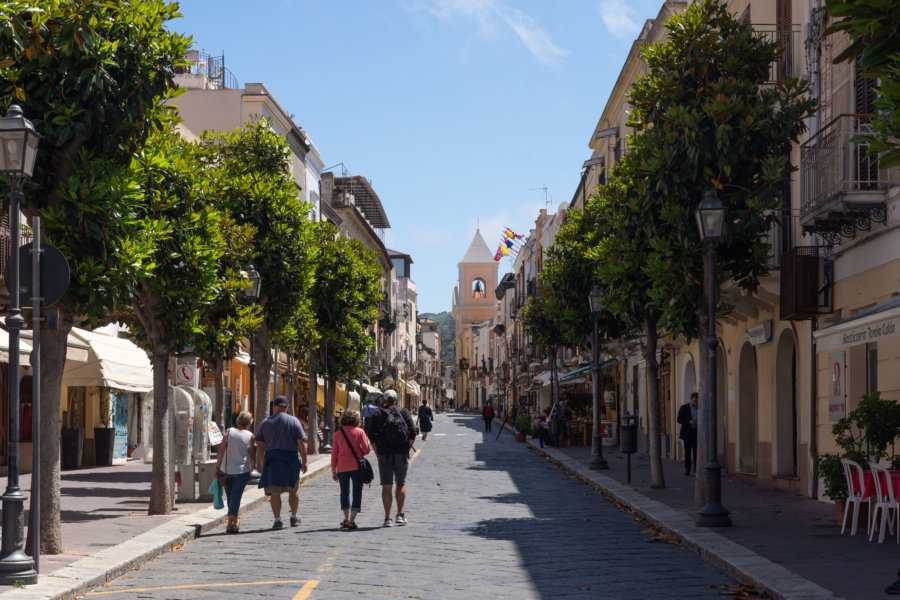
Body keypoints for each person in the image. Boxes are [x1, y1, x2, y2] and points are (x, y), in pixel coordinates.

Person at [256, 395, 308, 529]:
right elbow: (301, 443)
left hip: (272, 460)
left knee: (275, 491)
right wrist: (305, 461)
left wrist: (262, 460)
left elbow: (260, 444)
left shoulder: (265, 422)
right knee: (293, 489)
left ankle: (277, 519)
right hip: (290, 459)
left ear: (274, 407)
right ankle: (294, 517)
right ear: (287, 407)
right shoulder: (294, 421)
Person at [365, 389, 417, 527]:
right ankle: (400, 514)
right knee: (401, 483)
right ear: (396, 400)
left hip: (384, 453)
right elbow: (413, 432)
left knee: (386, 486)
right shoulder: (404, 411)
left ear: (384, 400)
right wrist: (406, 448)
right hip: (401, 453)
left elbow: (371, 436)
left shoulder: (377, 413)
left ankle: (387, 518)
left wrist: (377, 451)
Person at [216, 410, 255, 533]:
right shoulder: (250, 436)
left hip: (226, 470)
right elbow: (251, 455)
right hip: (242, 470)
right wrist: (251, 468)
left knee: (230, 495)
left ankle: (231, 521)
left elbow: (221, 451)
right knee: (236, 496)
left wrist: (217, 468)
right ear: (249, 423)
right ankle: (232, 521)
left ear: (238, 421)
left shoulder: (228, 432)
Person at [331, 410, 371, 531]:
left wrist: (333, 469)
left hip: (342, 466)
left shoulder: (338, 434)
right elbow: (366, 450)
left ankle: (346, 518)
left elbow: (334, 453)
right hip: (357, 466)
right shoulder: (360, 432)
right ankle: (352, 521)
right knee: (357, 492)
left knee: (344, 492)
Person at [677, 392, 699, 476]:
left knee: (696, 452)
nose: (695, 403)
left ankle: (696, 470)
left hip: (695, 432)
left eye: (696, 401)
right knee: (687, 452)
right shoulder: (684, 408)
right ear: (691, 399)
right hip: (687, 433)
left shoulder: (699, 408)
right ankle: (687, 469)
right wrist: (688, 422)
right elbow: (679, 419)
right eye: (694, 401)